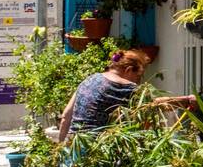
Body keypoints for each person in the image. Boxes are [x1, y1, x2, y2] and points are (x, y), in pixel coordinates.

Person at [57, 49, 195, 143]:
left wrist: (61, 149)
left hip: (74, 144)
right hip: (97, 150)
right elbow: (155, 105)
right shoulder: (126, 87)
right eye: (138, 76)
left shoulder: (89, 79)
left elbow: (65, 117)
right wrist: (187, 100)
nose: (139, 81)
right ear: (128, 70)